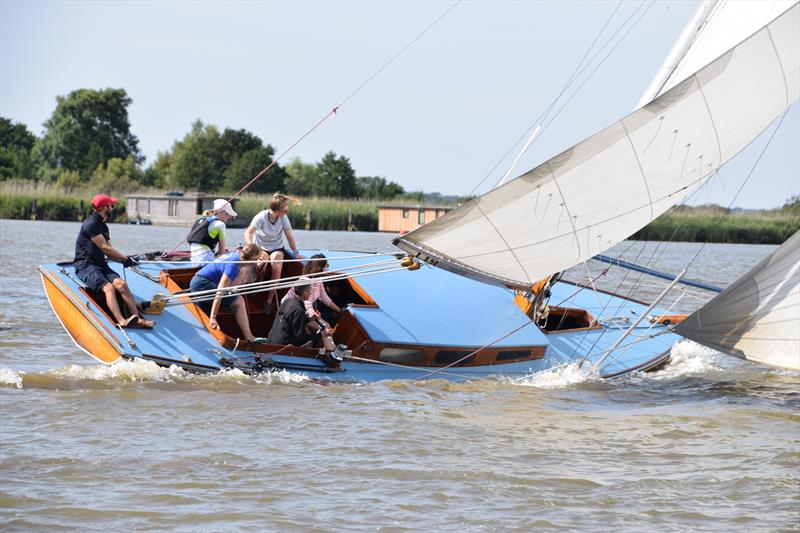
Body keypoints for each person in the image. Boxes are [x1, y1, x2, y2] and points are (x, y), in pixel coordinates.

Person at [74, 194, 155, 328]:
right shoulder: (91, 224)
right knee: (109, 288)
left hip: (100, 264)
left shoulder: (104, 227)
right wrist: (124, 258)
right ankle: (122, 321)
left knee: (121, 284)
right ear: (104, 207)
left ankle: (137, 318)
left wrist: (125, 261)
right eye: (111, 205)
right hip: (85, 265)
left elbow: (109, 252)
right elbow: (105, 248)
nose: (113, 208)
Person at [189, 244, 266, 343]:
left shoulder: (236, 256)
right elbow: (220, 291)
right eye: (257, 259)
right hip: (202, 285)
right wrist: (213, 317)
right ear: (252, 259)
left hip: (199, 281)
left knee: (235, 295)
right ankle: (249, 337)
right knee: (239, 301)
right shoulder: (233, 266)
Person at [244, 193, 303, 312]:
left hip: (277, 247)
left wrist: (295, 252)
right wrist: (252, 247)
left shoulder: (283, 218)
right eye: (285, 211)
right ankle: (258, 283)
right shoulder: (261, 217)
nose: (286, 213)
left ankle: (269, 301)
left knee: (277, 266)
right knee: (263, 262)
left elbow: (290, 237)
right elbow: (248, 233)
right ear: (278, 210)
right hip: (260, 247)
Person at [268, 280, 335, 352]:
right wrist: (321, 334)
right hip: (281, 346)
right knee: (309, 340)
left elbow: (295, 317)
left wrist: (312, 318)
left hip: (272, 338)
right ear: (305, 293)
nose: (312, 292)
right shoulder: (299, 310)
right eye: (310, 290)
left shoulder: (289, 301)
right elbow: (301, 339)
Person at [280, 254, 342, 321]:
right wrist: (315, 316)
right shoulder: (307, 283)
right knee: (326, 327)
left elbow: (324, 298)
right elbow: (307, 303)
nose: (327, 268)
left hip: (302, 309)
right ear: (320, 267)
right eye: (326, 265)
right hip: (289, 310)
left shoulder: (318, 280)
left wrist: (340, 310)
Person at [187, 199, 237, 266]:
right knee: (233, 260)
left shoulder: (200, 220)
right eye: (227, 214)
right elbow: (221, 253)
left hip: (194, 260)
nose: (229, 217)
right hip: (205, 260)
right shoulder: (220, 224)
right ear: (220, 212)